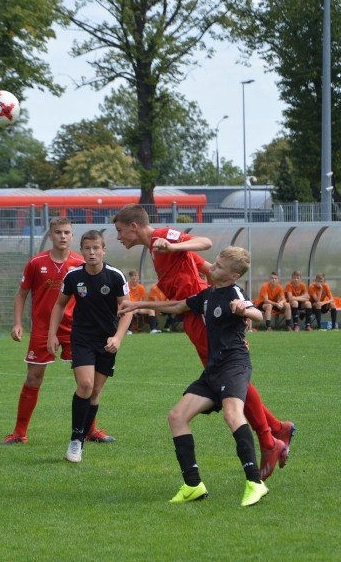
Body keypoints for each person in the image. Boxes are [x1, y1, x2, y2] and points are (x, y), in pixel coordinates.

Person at [113, 204, 294, 482]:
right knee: (225, 380)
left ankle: (270, 440)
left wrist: (173, 248)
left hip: (201, 315)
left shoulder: (163, 237)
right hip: (195, 313)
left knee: (227, 378)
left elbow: (204, 243)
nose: (118, 237)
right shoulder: (155, 248)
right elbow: (205, 266)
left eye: (119, 231)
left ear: (134, 226)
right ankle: (276, 429)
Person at [119, 246, 269, 506]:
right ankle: (192, 485)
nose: (213, 267)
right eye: (215, 262)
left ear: (233, 275)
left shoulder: (235, 293)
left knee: (233, 415)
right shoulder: (208, 294)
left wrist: (244, 310)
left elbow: (257, 313)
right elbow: (177, 306)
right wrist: (138, 304)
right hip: (213, 369)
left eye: (220, 267)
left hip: (234, 365)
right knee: (177, 416)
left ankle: (255, 482)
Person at [1, 217, 114, 444]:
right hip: (44, 329)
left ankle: (90, 430)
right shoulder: (36, 263)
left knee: (88, 383)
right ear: (50, 236)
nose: (62, 236)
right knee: (33, 378)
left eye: (66, 232)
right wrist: (17, 323)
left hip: (76, 330)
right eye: (58, 232)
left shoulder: (82, 263)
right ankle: (19, 433)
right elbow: (21, 294)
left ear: (72, 237)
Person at [48, 230, 134, 463]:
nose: (92, 252)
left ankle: (83, 435)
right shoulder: (73, 276)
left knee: (95, 392)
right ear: (82, 251)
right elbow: (59, 306)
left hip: (107, 340)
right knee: (84, 385)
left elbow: (128, 309)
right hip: (82, 337)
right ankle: (76, 441)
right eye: (87, 248)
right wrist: (51, 334)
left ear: (103, 250)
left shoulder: (115, 276)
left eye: (96, 248)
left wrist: (117, 338)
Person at [126, 269, 160, 334]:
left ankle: (153, 329)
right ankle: (128, 330)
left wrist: (139, 306)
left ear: (138, 277)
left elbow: (143, 300)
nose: (134, 277)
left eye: (135, 275)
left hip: (139, 306)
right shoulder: (126, 286)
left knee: (151, 310)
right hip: (130, 307)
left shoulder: (141, 287)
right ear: (130, 277)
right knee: (129, 311)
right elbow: (126, 300)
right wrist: (134, 307)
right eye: (132, 276)